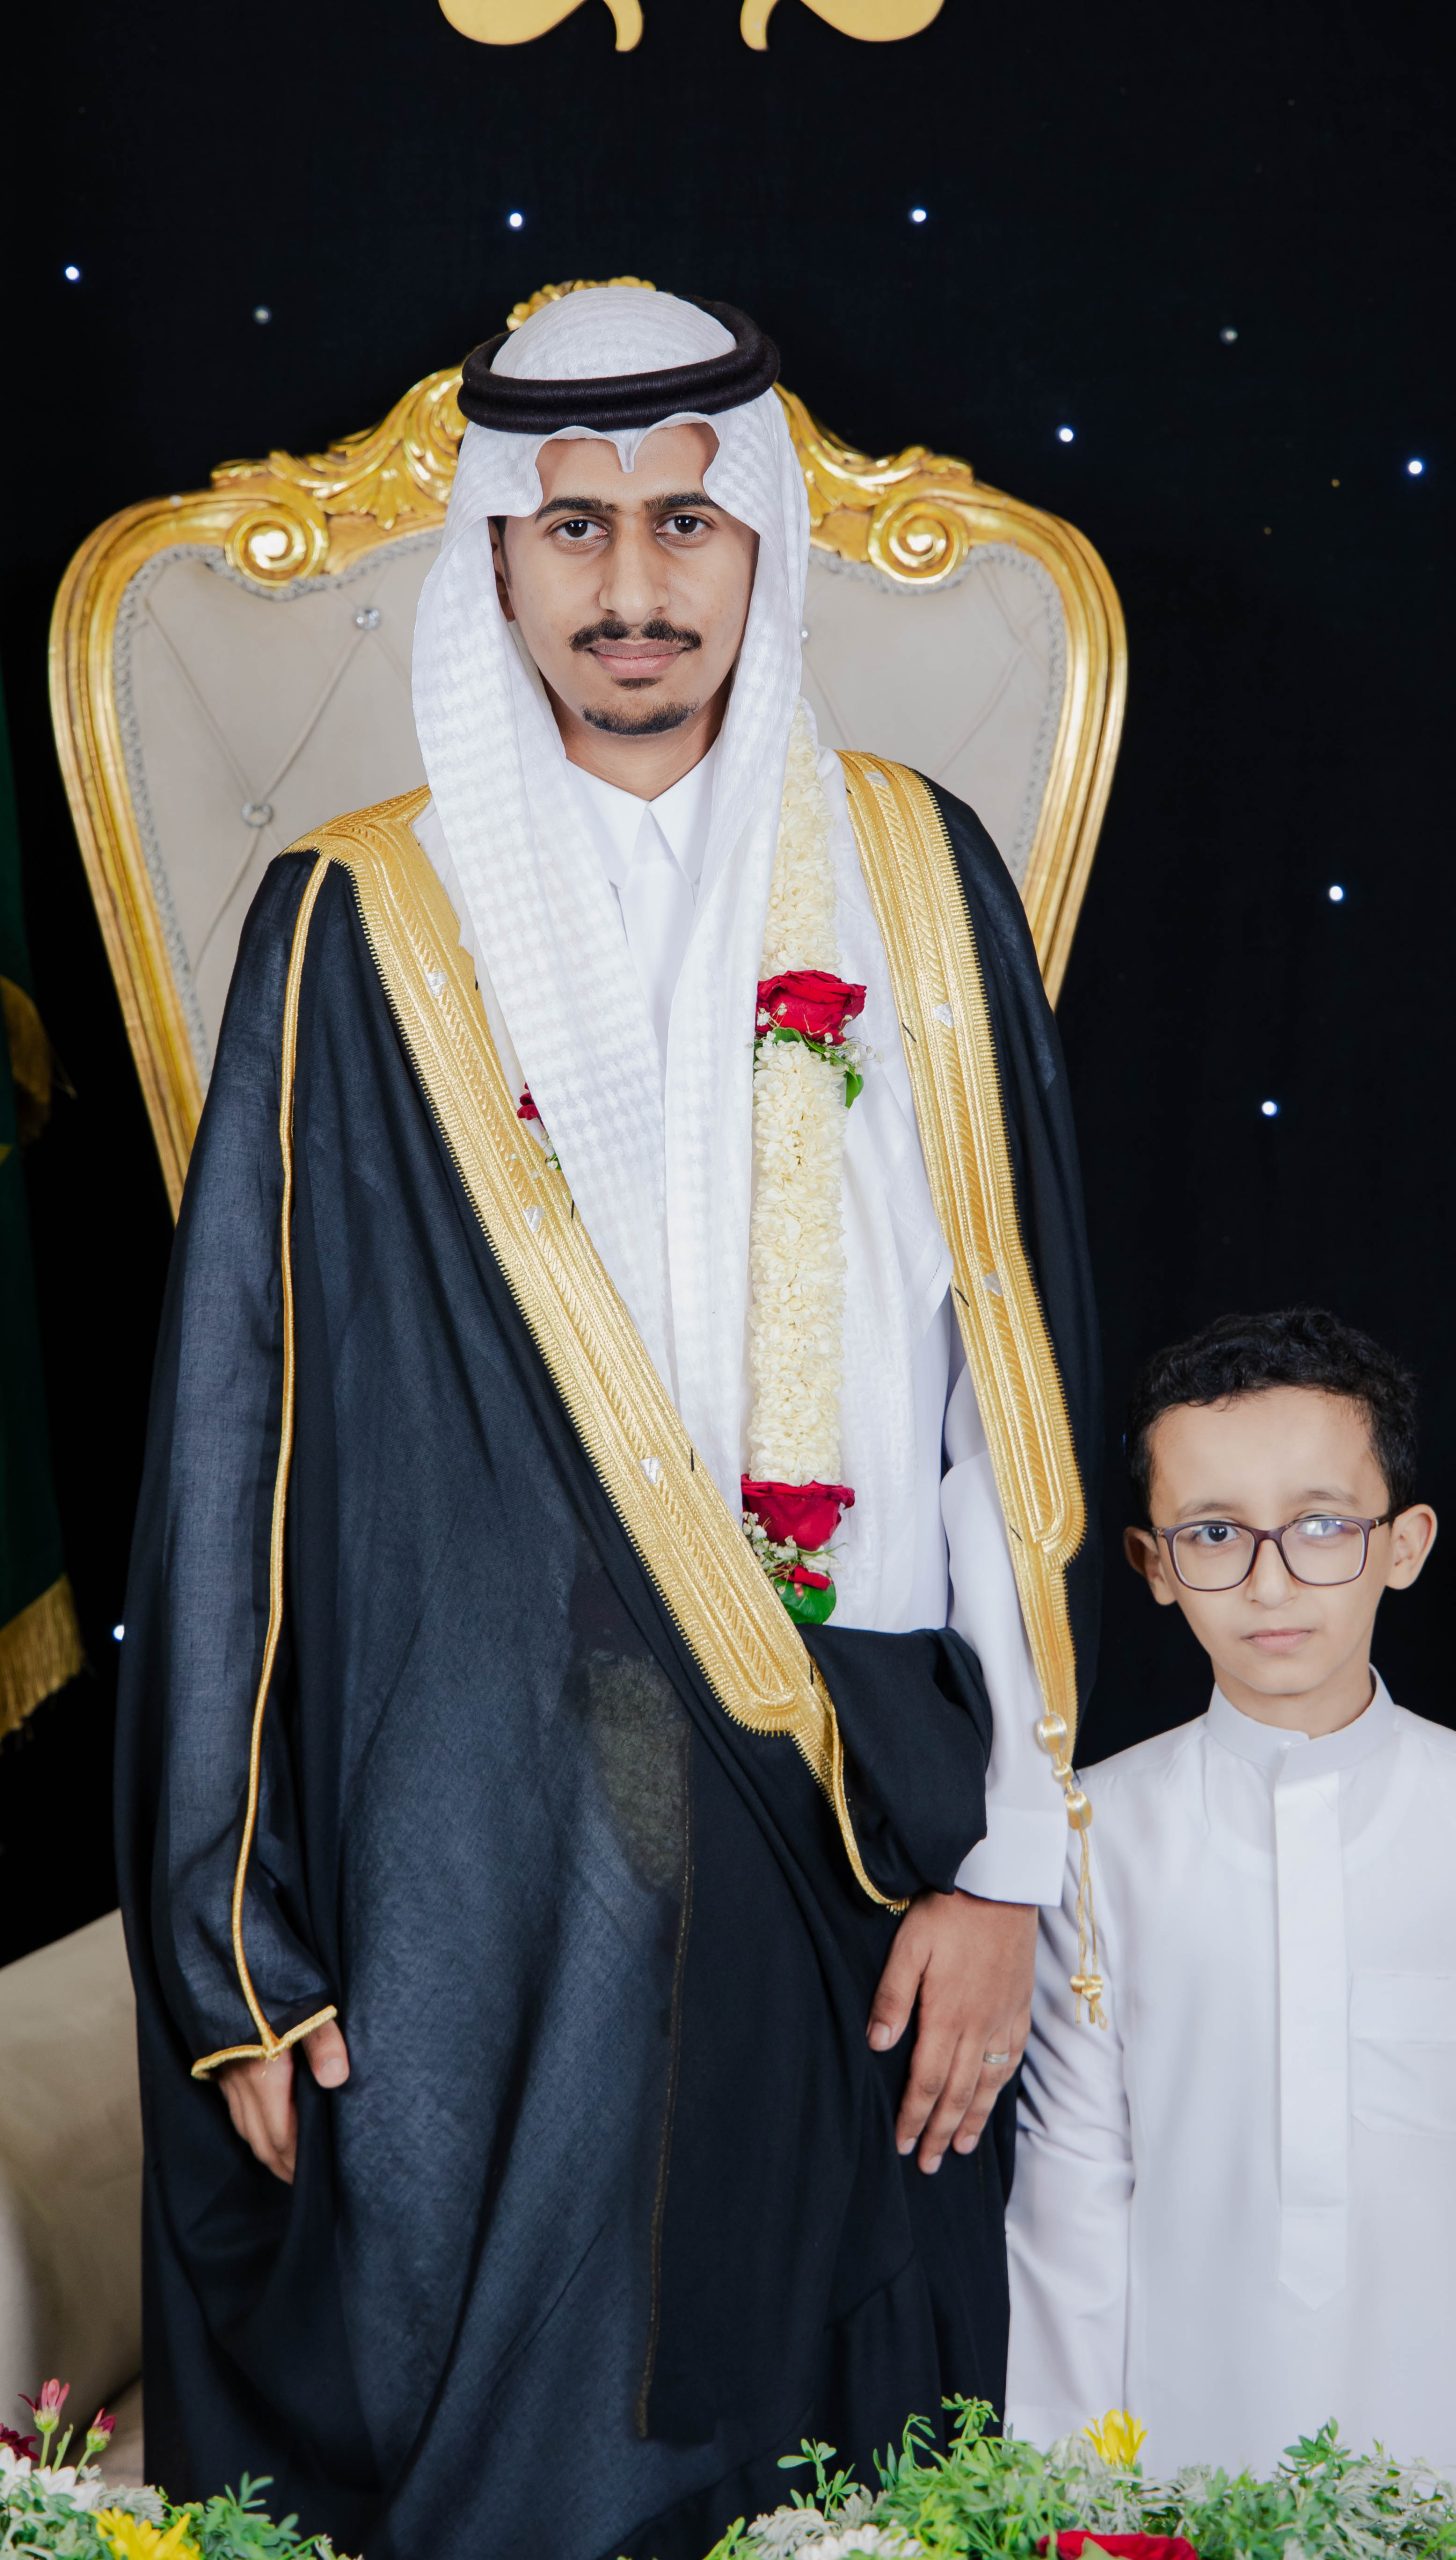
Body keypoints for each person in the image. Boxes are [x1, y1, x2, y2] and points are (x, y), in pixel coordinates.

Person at [115, 286, 1103, 2560]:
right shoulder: (359, 918)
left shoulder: (915, 874)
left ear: (760, 541)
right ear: (494, 550)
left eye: (683, 521)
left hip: (861, 1814)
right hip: (473, 1841)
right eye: (572, 526)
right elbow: (232, 1448)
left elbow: (1011, 1416)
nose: (631, 584)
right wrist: (232, 1948)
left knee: (842, 2463)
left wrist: (1004, 1872)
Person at [1006, 1307, 1456, 2553]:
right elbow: (1071, 2205)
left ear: (1403, 1543)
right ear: (1153, 1562)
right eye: (1215, 1533)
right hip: (1178, 2492)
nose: (1270, 1582)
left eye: (1322, 1525)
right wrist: (1074, 2512)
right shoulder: (1092, 1834)